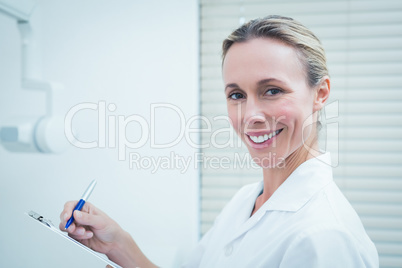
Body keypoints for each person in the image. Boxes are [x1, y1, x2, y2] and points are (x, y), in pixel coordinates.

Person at [59, 15, 379, 267]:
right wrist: (120, 246)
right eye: (236, 95)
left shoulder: (325, 237)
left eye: (272, 90)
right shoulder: (245, 201)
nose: (250, 114)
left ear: (320, 93)